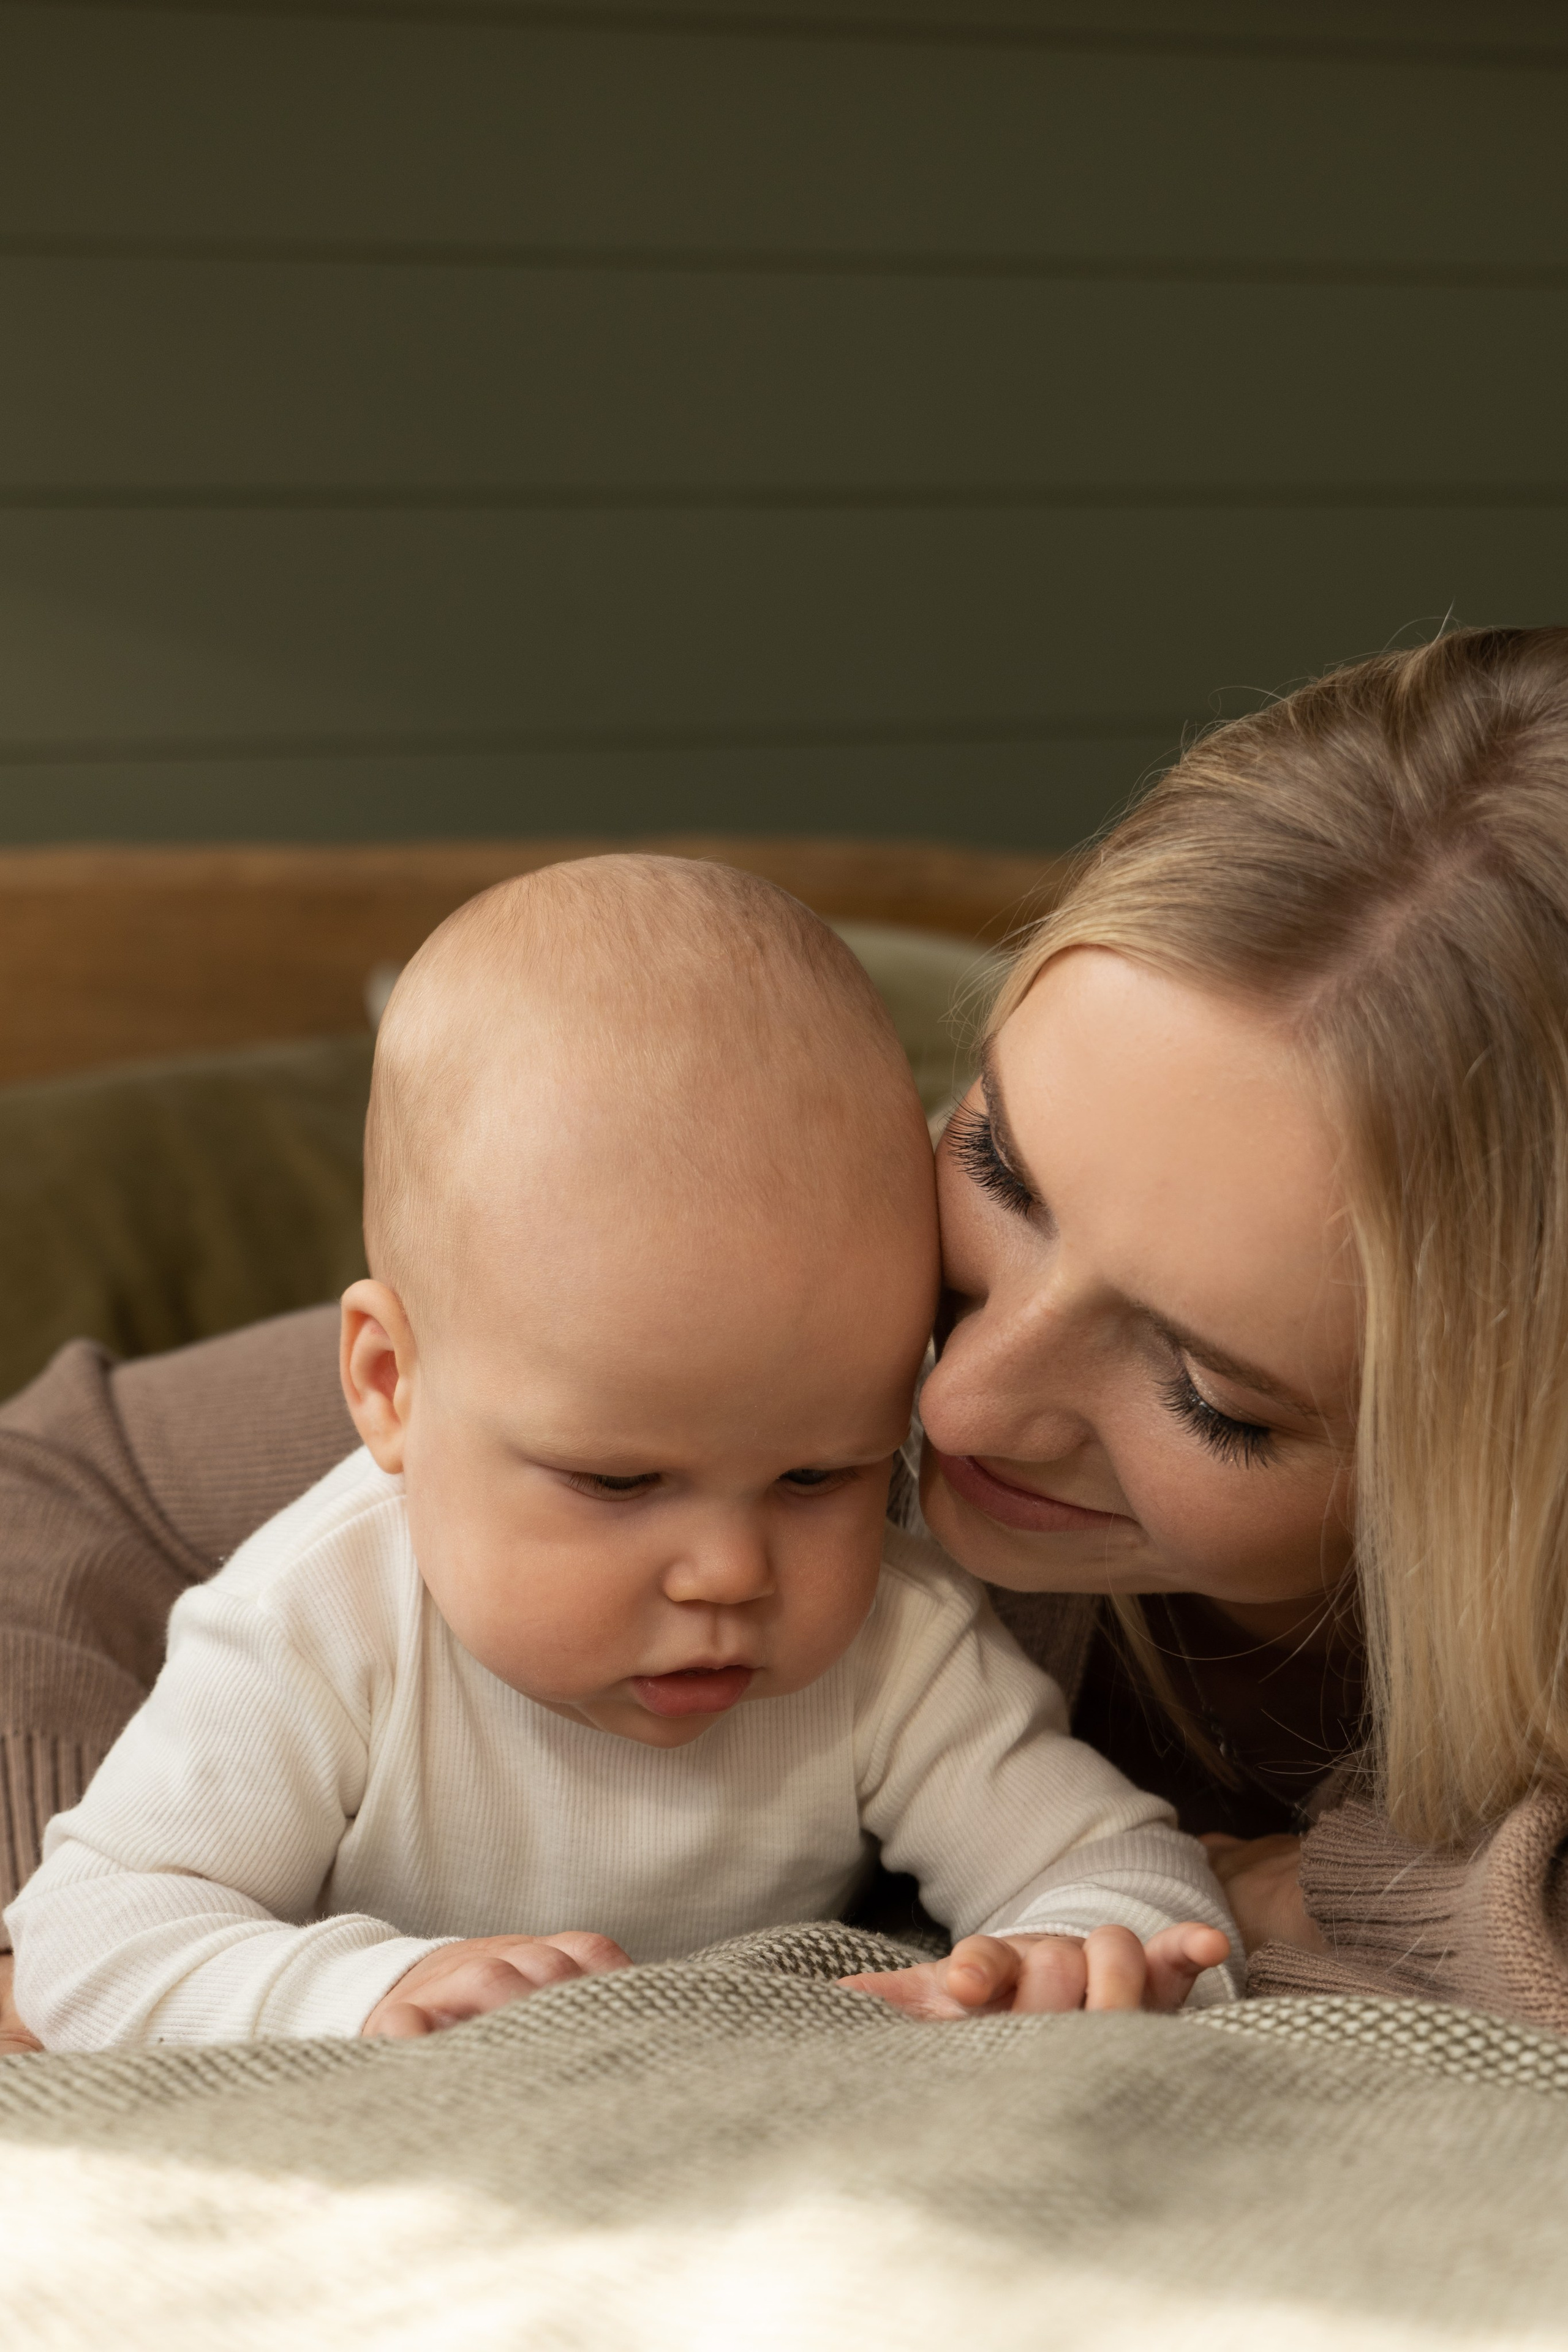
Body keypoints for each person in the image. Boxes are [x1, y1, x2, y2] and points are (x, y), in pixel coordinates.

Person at [2, 623, 1567, 2037]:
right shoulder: (704, 1340)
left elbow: (1111, 1890)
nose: (944, 1408)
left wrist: (1331, 1897)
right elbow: (53, 1490)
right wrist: (154, 1952)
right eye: (999, 1169)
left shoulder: (866, 1614)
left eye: (1208, 1389)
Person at [4, 858, 1234, 2048]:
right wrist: (366, 1989)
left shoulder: (893, 1642)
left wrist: (1080, 1948)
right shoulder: (314, 1627)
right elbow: (89, 1940)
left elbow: (1122, 1869)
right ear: (390, 1385)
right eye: (617, 1481)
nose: (727, 1572)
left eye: (819, 1475)